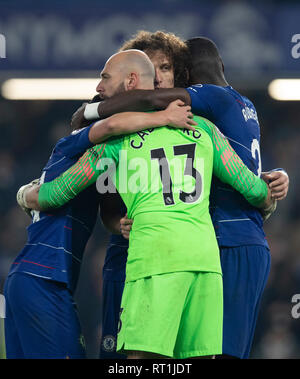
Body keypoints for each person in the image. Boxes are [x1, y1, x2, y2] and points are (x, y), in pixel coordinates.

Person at [20, 49, 275, 359]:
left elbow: (56, 193)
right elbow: (252, 188)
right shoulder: (205, 130)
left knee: (140, 360)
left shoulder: (114, 143)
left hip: (155, 261)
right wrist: (271, 193)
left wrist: (26, 194)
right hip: (205, 264)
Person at [5, 51, 194, 359]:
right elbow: (107, 128)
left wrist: (116, 223)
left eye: (105, 77)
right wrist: (165, 117)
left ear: (130, 80)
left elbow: (103, 201)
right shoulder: (91, 139)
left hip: (34, 278)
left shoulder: (100, 147)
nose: (99, 85)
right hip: (44, 279)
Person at [97, 30, 191, 359]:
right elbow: (107, 205)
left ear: (178, 73)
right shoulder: (116, 127)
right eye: (152, 68)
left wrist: (272, 174)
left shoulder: (195, 125)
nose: (160, 77)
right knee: (121, 355)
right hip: (127, 255)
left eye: (166, 67)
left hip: (179, 258)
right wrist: (117, 224)